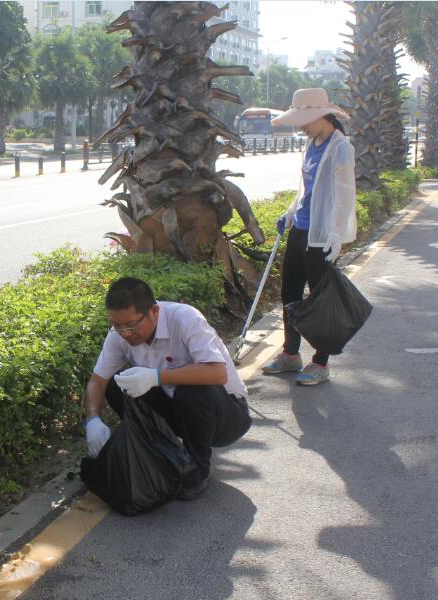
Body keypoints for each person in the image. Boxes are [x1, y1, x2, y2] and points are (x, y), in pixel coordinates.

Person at [82, 277, 252, 501]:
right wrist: (92, 420)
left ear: (154, 311)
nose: (125, 333)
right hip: (178, 411)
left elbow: (217, 373)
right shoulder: (119, 334)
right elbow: (98, 381)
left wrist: (157, 377)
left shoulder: (185, 319)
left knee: (191, 391)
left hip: (226, 416)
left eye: (131, 325)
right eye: (117, 325)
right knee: (118, 384)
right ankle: (161, 452)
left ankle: (197, 468)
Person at [261, 88, 357, 386]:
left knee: (320, 299)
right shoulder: (312, 143)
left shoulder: (340, 147)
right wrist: (290, 212)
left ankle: (320, 361)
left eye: (305, 120)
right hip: (301, 228)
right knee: (289, 293)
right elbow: (306, 187)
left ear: (321, 116)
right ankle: (291, 353)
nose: (300, 127)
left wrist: (335, 236)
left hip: (321, 235)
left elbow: (344, 196)